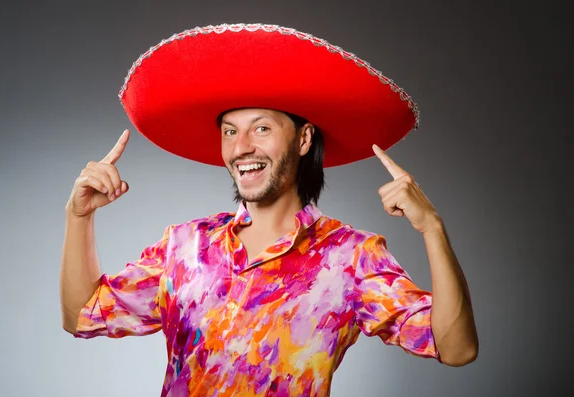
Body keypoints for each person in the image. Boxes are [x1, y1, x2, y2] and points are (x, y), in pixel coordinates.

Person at [60, 23, 478, 396]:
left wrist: (432, 229)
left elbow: (457, 349)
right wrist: (79, 218)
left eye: (261, 128)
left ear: (303, 139)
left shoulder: (349, 258)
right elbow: (83, 315)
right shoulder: (185, 247)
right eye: (230, 131)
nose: (242, 147)